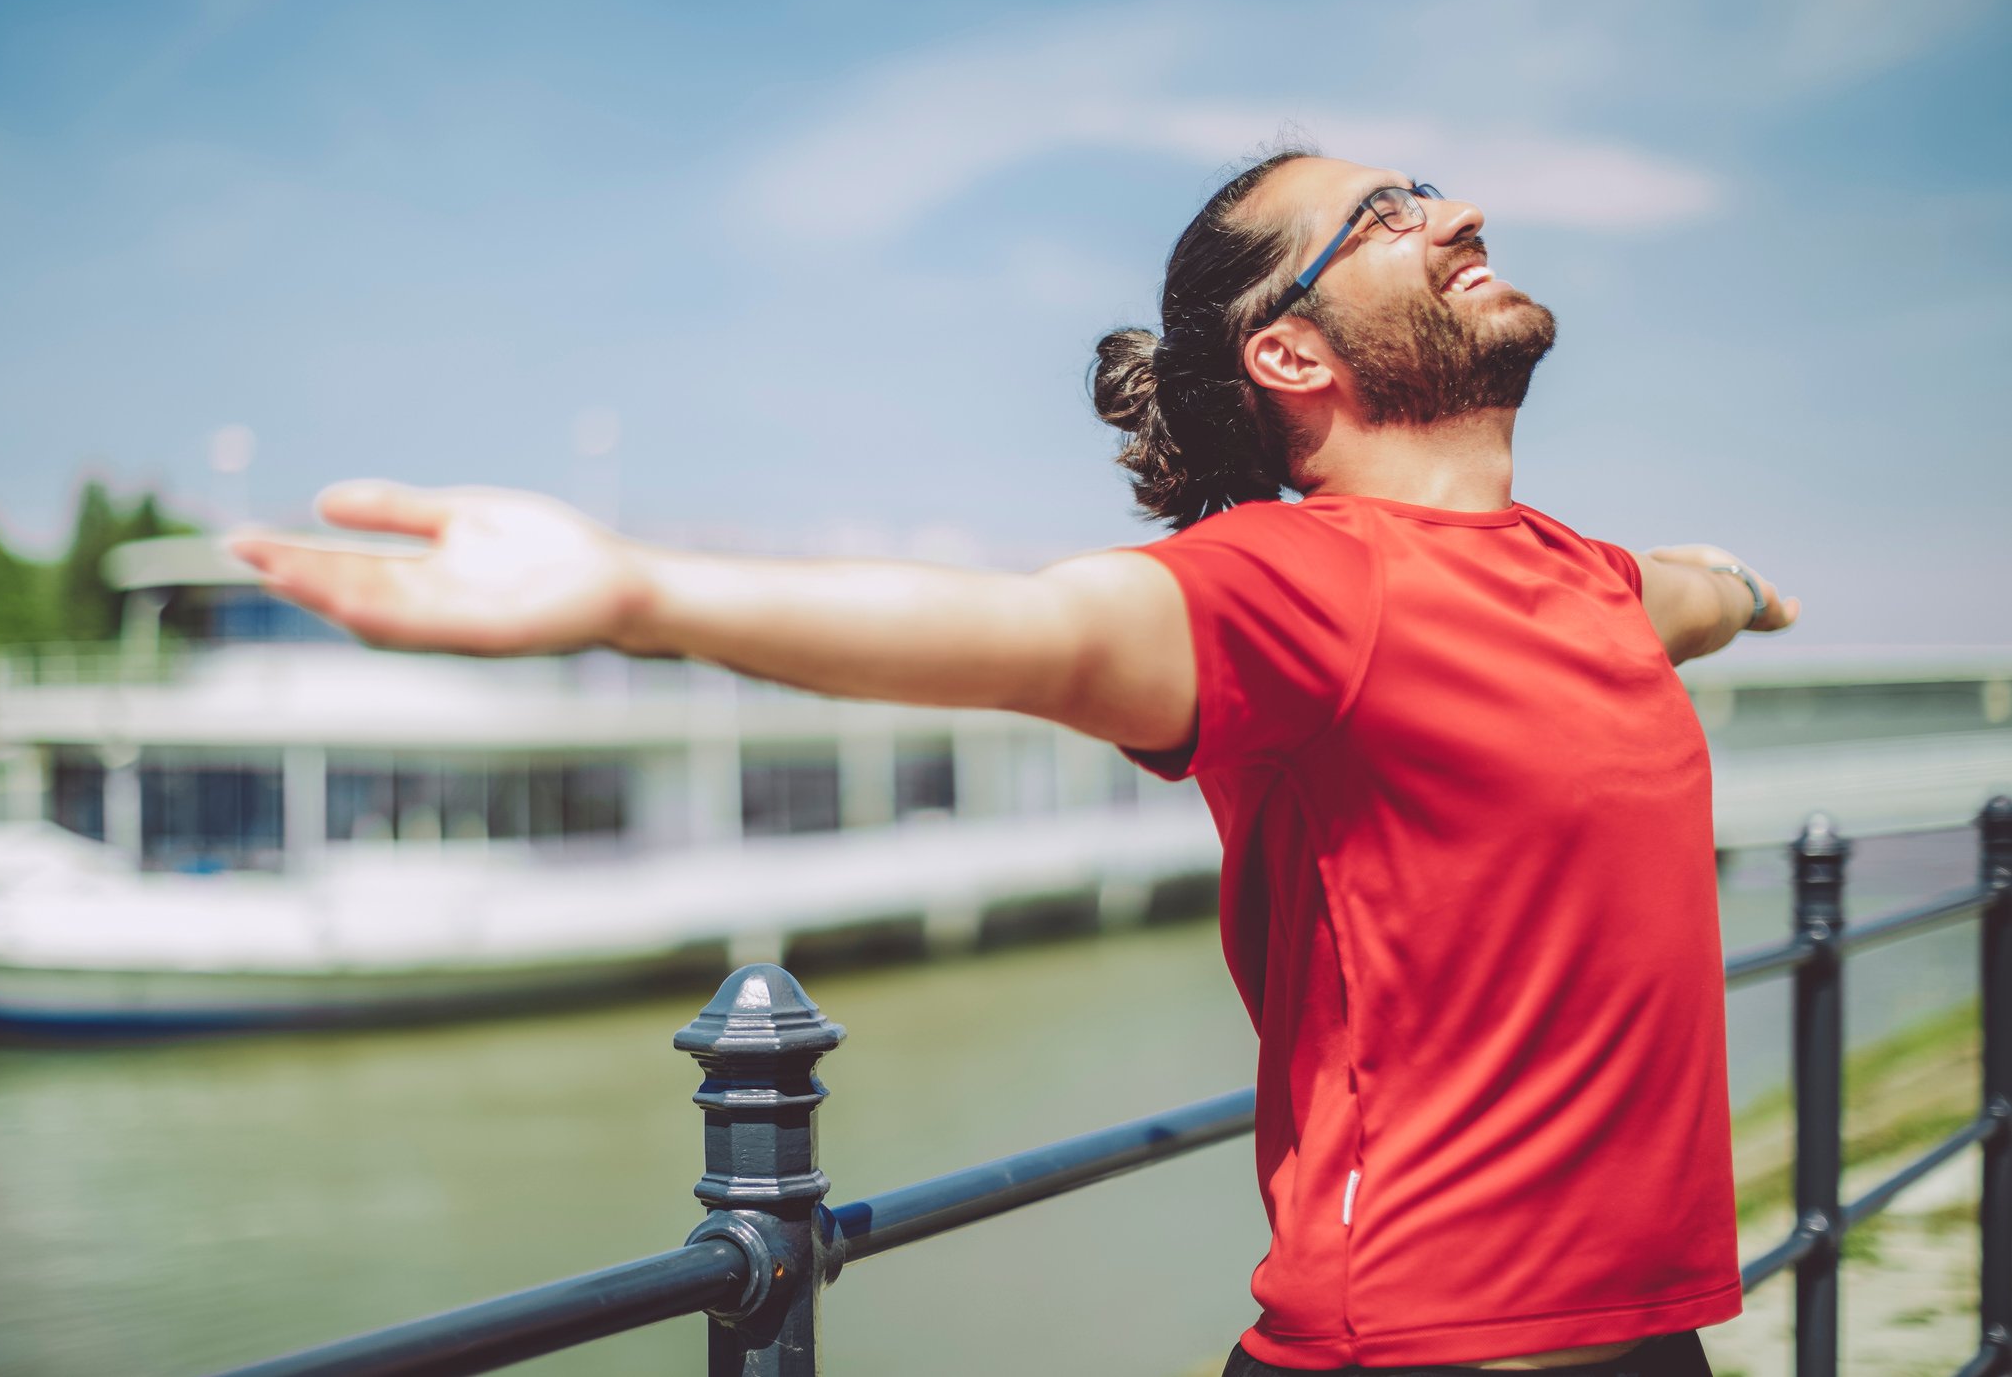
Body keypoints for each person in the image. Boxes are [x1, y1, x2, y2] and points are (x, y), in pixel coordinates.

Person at [232, 148, 1796, 1376]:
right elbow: (1033, 632)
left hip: (1652, 1340)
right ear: (1291, 356)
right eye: (1383, 213)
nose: (1454, 210)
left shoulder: (1585, 579)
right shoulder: (1303, 583)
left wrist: (1742, 589)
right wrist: (635, 593)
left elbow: (1694, 594)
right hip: (1418, 1354)